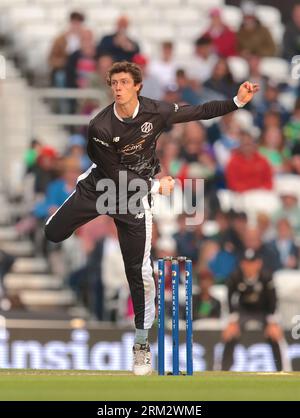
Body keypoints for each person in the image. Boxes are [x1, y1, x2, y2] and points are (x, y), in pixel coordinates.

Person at [44, 60, 259, 375]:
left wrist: (237, 102)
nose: (117, 88)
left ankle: (141, 343)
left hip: (133, 200)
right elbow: (114, 174)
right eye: (113, 83)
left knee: (139, 271)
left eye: (123, 83)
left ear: (137, 86)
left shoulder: (155, 111)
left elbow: (196, 111)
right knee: (52, 233)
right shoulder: (100, 126)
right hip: (101, 188)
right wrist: (157, 185)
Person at [221, 248, 287, 371]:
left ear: (259, 264)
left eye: (252, 263)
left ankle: (282, 370)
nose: (249, 267)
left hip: (264, 312)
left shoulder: (266, 277)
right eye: (246, 263)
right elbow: (230, 300)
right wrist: (232, 321)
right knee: (230, 335)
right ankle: (223, 369)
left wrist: (272, 322)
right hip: (243, 312)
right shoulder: (235, 277)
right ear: (242, 264)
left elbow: (273, 300)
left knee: (275, 335)